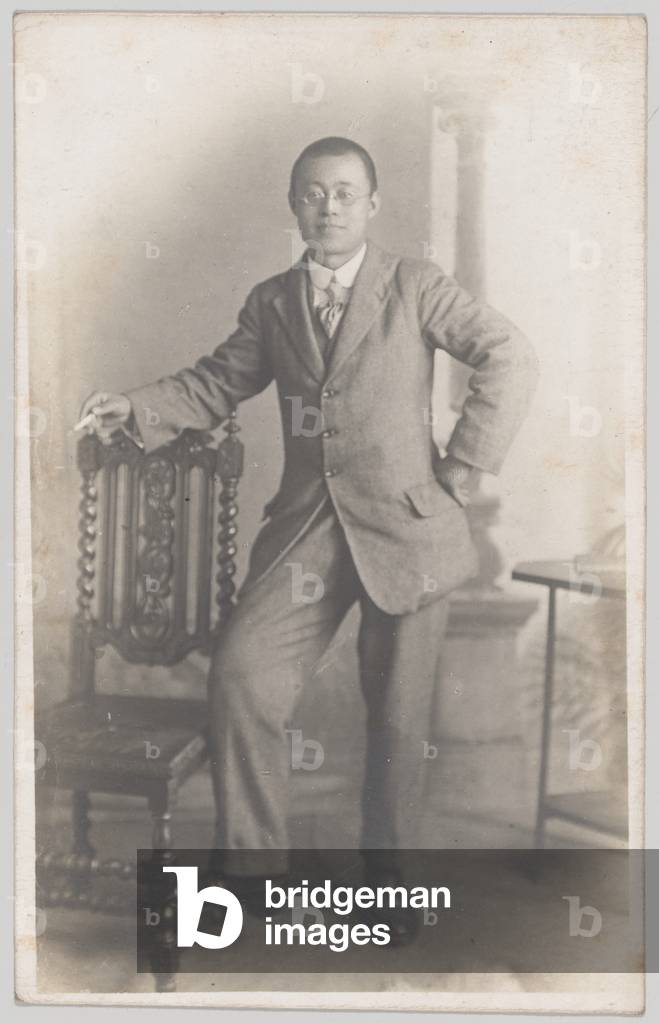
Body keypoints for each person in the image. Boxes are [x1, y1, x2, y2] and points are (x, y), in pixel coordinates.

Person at [79, 136, 538, 943]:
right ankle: (253, 880)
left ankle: (388, 892)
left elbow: (508, 353)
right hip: (308, 531)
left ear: (372, 206)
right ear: (293, 204)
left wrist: (460, 473)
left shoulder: (414, 283)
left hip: (409, 532)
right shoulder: (271, 301)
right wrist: (135, 407)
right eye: (312, 194)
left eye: (345, 194)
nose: (328, 208)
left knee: (398, 723)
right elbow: (216, 381)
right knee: (244, 679)